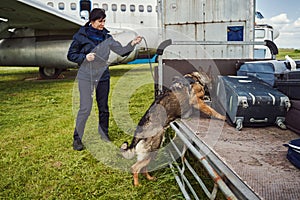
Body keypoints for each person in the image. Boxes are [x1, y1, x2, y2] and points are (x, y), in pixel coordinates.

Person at [67, 8, 142, 151]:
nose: (103, 24)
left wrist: (132, 44)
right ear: (92, 21)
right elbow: (71, 55)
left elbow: (121, 51)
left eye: (104, 21)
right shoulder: (80, 36)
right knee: (85, 108)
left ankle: (104, 134)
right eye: (100, 21)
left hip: (102, 75)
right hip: (85, 76)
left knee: (103, 107)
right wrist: (84, 58)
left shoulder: (107, 37)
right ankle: (77, 139)